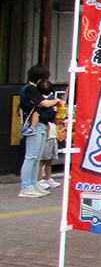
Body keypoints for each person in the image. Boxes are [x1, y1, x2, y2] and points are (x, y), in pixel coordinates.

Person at [18, 65, 60, 199]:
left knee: (36, 158)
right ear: (39, 78)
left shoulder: (33, 89)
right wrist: (57, 100)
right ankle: (26, 187)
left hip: (42, 125)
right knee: (31, 157)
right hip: (34, 126)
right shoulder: (29, 89)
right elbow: (45, 104)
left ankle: (33, 184)